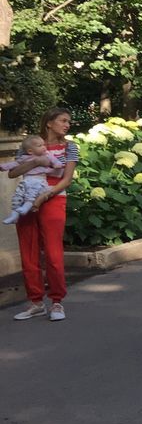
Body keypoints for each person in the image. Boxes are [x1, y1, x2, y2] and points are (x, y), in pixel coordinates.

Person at [11, 107, 79, 322]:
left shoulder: (70, 147)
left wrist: (43, 198)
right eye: (63, 120)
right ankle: (36, 302)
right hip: (27, 198)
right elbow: (13, 172)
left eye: (69, 121)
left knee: (53, 252)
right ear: (49, 122)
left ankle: (57, 301)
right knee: (28, 251)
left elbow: (66, 179)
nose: (67, 125)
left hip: (54, 198)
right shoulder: (31, 145)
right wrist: (35, 161)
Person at [2, 135, 58, 225]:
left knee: (32, 192)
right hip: (26, 181)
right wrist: (3, 167)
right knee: (18, 194)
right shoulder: (25, 155)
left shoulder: (47, 155)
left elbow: (55, 162)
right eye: (40, 146)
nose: (44, 147)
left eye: (43, 145)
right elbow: (15, 165)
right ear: (30, 151)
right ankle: (14, 215)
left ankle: (26, 206)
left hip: (39, 181)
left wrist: (56, 165)